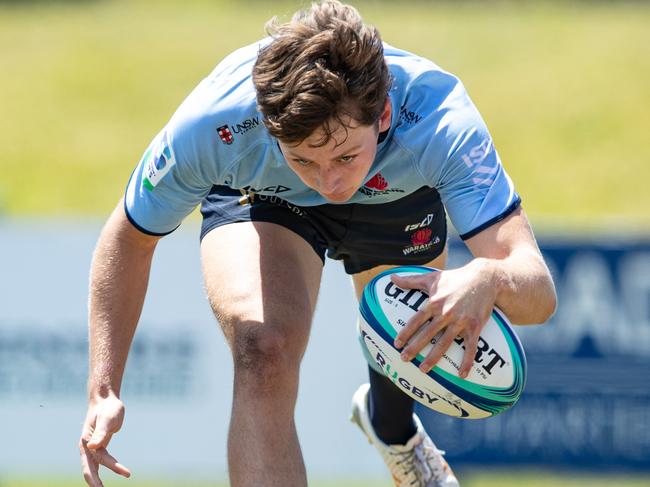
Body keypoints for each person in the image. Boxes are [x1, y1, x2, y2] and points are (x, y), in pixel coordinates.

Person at [78, 1, 557, 486]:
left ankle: (393, 431)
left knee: (402, 351)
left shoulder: (442, 123)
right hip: (265, 194)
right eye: (306, 160)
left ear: (384, 113)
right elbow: (129, 238)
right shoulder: (213, 125)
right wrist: (103, 388)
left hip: (399, 194)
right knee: (263, 350)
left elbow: (538, 295)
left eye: (345, 155)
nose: (329, 181)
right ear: (269, 127)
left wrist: (490, 276)